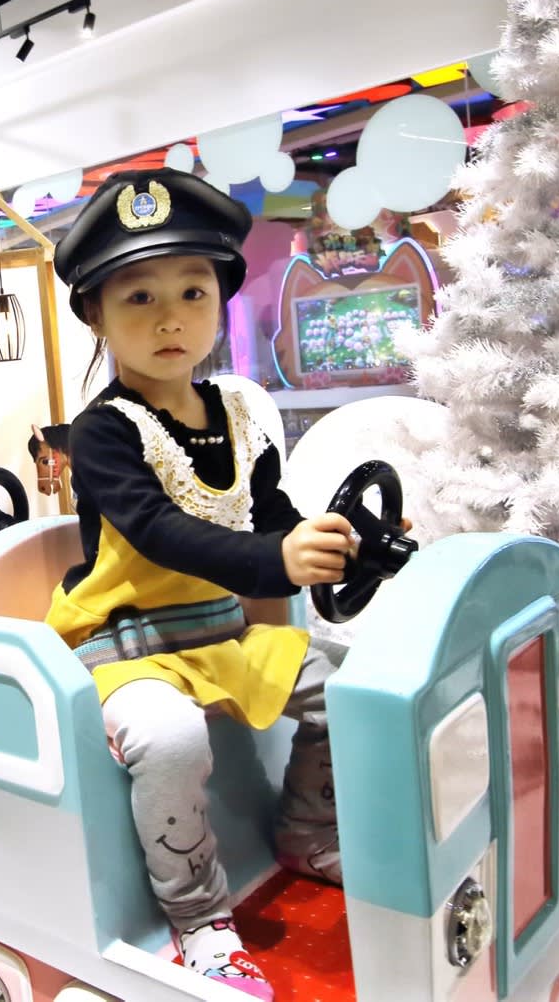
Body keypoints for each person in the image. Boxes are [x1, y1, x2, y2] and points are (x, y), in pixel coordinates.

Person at [46, 168, 409, 1001]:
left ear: (221, 299)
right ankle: (199, 916)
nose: (171, 318)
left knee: (345, 687)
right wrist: (275, 562)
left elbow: (272, 515)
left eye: (193, 292)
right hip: (128, 649)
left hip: (221, 633)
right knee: (170, 739)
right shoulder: (104, 432)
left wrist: (342, 545)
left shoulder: (241, 416)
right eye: (139, 298)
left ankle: (307, 831)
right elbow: (158, 530)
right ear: (95, 314)